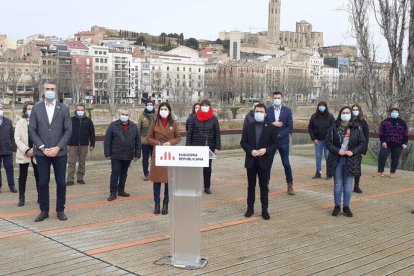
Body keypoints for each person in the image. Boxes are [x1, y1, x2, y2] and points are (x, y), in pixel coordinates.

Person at [29, 82, 72, 222]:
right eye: (47, 89)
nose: (49, 91)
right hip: (42, 153)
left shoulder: (64, 109)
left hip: (59, 152)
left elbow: (68, 130)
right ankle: (44, 210)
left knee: (61, 182)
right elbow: (32, 130)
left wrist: (58, 147)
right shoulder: (36, 108)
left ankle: (60, 210)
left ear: (56, 91)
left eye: (52, 89)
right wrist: (42, 147)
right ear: (43, 90)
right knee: (43, 182)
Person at [240, 103, 278, 220]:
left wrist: (266, 150)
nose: (259, 114)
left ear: (265, 113)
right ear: (254, 112)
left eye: (261, 112)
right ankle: (250, 208)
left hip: (264, 161)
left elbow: (275, 143)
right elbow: (243, 142)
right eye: (257, 111)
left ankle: (264, 209)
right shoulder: (248, 126)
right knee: (251, 186)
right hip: (251, 160)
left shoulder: (271, 127)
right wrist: (250, 151)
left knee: (264, 186)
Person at [326, 106, 365, 217]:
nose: (346, 114)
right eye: (343, 112)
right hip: (337, 159)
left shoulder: (356, 127)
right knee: (338, 184)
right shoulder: (334, 126)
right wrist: (338, 151)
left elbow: (362, 142)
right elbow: (328, 142)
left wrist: (352, 151)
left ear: (351, 114)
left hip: (351, 160)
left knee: (348, 185)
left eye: (348, 113)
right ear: (340, 114)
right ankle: (337, 206)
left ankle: (346, 206)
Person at [147, 102, 181, 215]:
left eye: (165, 109)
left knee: (168, 181)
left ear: (169, 111)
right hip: (158, 154)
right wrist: (158, 143)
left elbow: (178, 138)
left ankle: (166, 204)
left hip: (169, 155)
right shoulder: (154, 122)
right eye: (162, 109)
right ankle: (157, 203)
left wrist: (170, 143)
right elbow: (148, 138)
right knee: (156, 181)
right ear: (159, 111)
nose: (163, 111)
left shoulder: (174, 123)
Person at [104, 107, 141, 201]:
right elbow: (107, 140)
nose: (124, 116)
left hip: (128, 154)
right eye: (123, 114)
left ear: (129, 116)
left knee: (124, 173)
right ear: (119, 115)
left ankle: (121, 190)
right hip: (116, 153)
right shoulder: (113, 125)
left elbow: (138, 141)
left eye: (126, 114)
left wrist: (137, 154)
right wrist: (107, 153)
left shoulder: (134, 126)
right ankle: (113, 192)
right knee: (115, 173)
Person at [186, 99, 221, 194]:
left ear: (209, 107)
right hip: (195, 147)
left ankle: (207, 186)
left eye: (207, 105)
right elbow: (189, 133)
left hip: (208, 147)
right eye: (203, 105)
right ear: (200, 107)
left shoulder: (214, 119)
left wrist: (217, 146)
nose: (205, 107)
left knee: (207, 168)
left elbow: (217, 133)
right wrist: (188, 146)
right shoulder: (194, 118)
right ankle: (195, 186)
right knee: (195, 169)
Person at [266, 91, 294, 195]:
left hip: (283, 141)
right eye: (275, 98)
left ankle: (290, 184)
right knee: (268, 163)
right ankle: (266, 184)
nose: (277, 99)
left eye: (278, 97)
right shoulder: (268, 111)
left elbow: (290, 127)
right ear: (272, 99)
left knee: (286, 163)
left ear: (282, 99)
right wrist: (273, 124)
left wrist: (280, 134)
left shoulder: (287, 111)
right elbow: (265, 125)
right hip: (271, 142)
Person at [15, 102, 39, 206]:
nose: (30, 111)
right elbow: (17, 139)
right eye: (28, 109)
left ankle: (41, 196)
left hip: (36, 152)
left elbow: (42, 137)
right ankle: (21, 197)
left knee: (39, 175)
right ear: (25, 110)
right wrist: (26, 150)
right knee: (22, 176)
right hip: (24, 152)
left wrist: (34, 150)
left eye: (32, 109)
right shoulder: (20, 122)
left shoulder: (39, 122)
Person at [374, 107, 408, 177]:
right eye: (393, 112)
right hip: (386, 144)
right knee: (382, 156)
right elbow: (381, 133)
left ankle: (392, 173)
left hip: (398, 144)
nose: (394, 113)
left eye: (396, 112)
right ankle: (380, 171)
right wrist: (382, 141)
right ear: (390, 113)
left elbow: (405, 134)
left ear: (398, 113)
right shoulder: (385, 122)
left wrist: (405, 143)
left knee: (395, 158)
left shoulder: (402, 122)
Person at [66, 104, 95, 186]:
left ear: (84, 110)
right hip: (72, 145)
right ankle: (70, 179)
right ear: (76, 110)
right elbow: (67, 132)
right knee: (71, 162)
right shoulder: (71, 120)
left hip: (84, 145)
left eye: (81, 110)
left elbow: (92, 133)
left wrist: (92, 144)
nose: (80, 111)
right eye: (78, 110)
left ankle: (80, 178)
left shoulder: (88, 121)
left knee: (82, 162)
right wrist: (66, 143)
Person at [308, 101, 335, 179]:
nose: (321, 107)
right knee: (318, 157)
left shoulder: (330, 116)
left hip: (328, 141)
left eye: (323, 106)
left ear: (326, 107)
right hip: (318, 141)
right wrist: (313, 138)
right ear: (318, 107)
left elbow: (334, 128)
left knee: (328, 157)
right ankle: (318, 173)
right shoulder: (314, 116)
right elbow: (310, 128)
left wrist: (330, 138)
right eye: (320, 106)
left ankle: (329, 173)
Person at [351, 104, 369, 193]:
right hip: (348, 149)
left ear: (359, 110)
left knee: (357, 167)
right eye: (353, 109)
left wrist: (364, 150)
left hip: (359, 149)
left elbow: (366, 137)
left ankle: (356, 185)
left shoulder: (363, 122)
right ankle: (346, 184)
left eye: (356, 109)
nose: (355, 111)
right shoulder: (347, 121)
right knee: (348, 167)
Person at [0, 104, 17, 193]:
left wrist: (14, 148)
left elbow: (12, 136)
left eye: (1, 108)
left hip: (7, 149)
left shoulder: (8, 122)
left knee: (10, 167)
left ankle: (12, 186)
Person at [138, 100, 155, 181]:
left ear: (153, 105)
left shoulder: (156, 115)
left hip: (154, 141)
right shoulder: (142, 116)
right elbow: (138, 129)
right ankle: (146, 174)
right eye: (148, 104)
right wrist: (138, 140)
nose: (149, 106)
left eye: (151, 104)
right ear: (145, 106)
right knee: (145, 158)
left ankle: (154, 173)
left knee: (154, 158)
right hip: (144, 141)